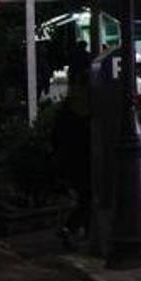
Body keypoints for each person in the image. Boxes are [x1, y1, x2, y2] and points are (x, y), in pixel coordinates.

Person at [52, 63, 91, 251]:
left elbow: (56, 137)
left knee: (86, 196)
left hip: (70, 159)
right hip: (83, 159)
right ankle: (71, 228)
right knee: (88, 196)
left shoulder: (67, 108)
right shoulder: (84, 108)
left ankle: (80, 230)